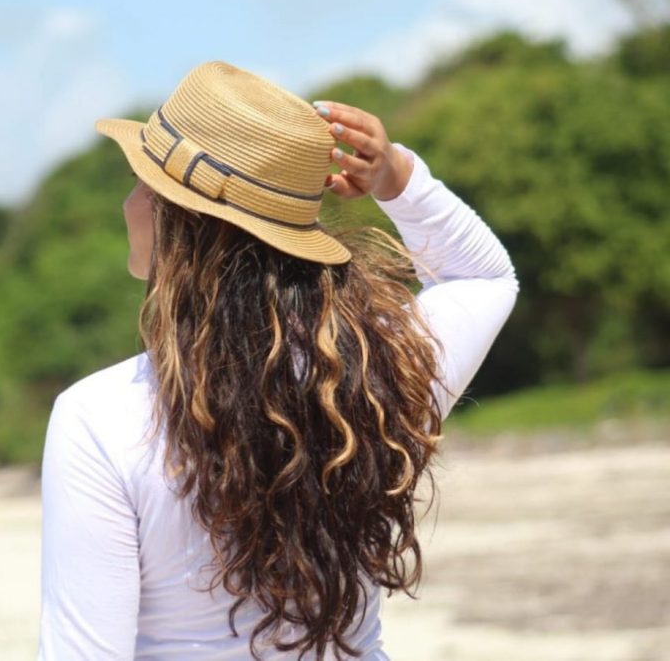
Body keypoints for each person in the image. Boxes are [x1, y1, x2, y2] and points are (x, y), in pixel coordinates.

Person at [36, 61, 518, 660]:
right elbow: (485, 277)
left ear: (174, 218)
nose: (129, 200)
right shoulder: (379, 371)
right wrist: (398, 178)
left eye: (140, 181)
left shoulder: (98, 417)